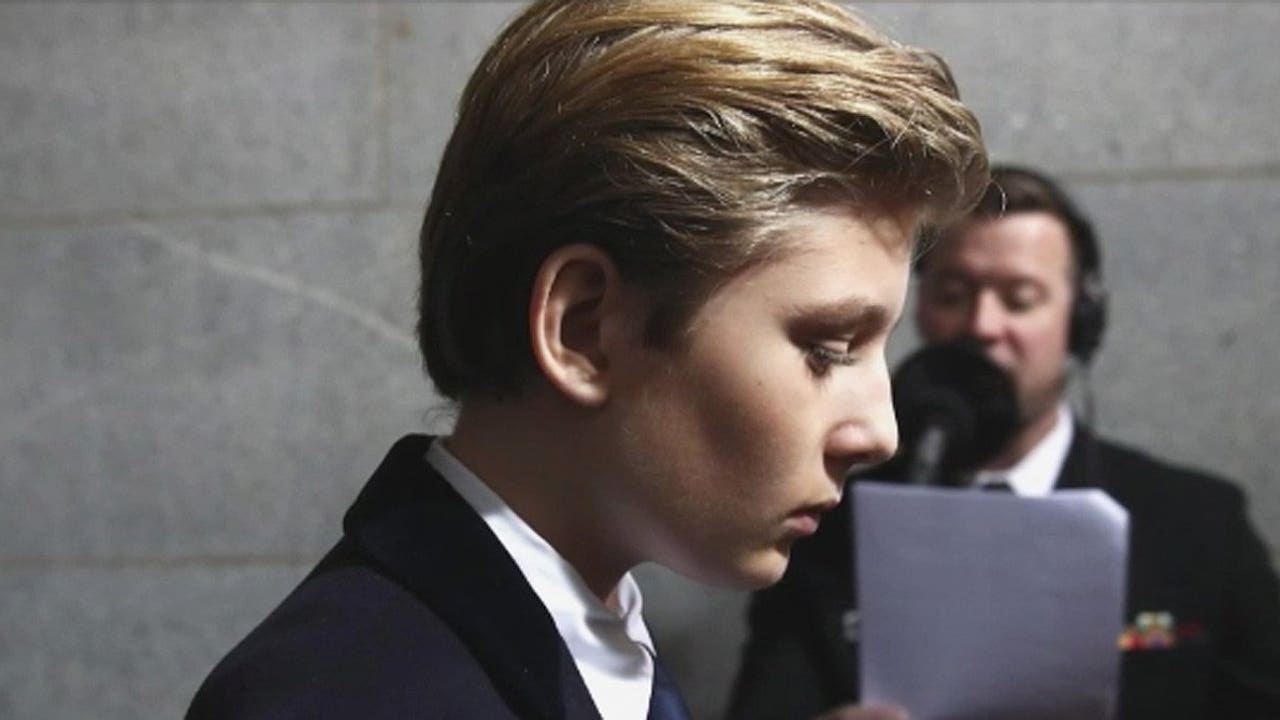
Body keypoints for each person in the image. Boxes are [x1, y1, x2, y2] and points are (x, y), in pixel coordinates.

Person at [185, 1, 989, 718]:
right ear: (584, 329)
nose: (879, 432)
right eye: (826, 350)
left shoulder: (584, 641)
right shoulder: (341, 699)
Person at [727, 164, 1280, 719]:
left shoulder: (1200, 526)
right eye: (952, 294)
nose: (982, 325)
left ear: (1079, 323)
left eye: (1019, 299)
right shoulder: (823, 528)